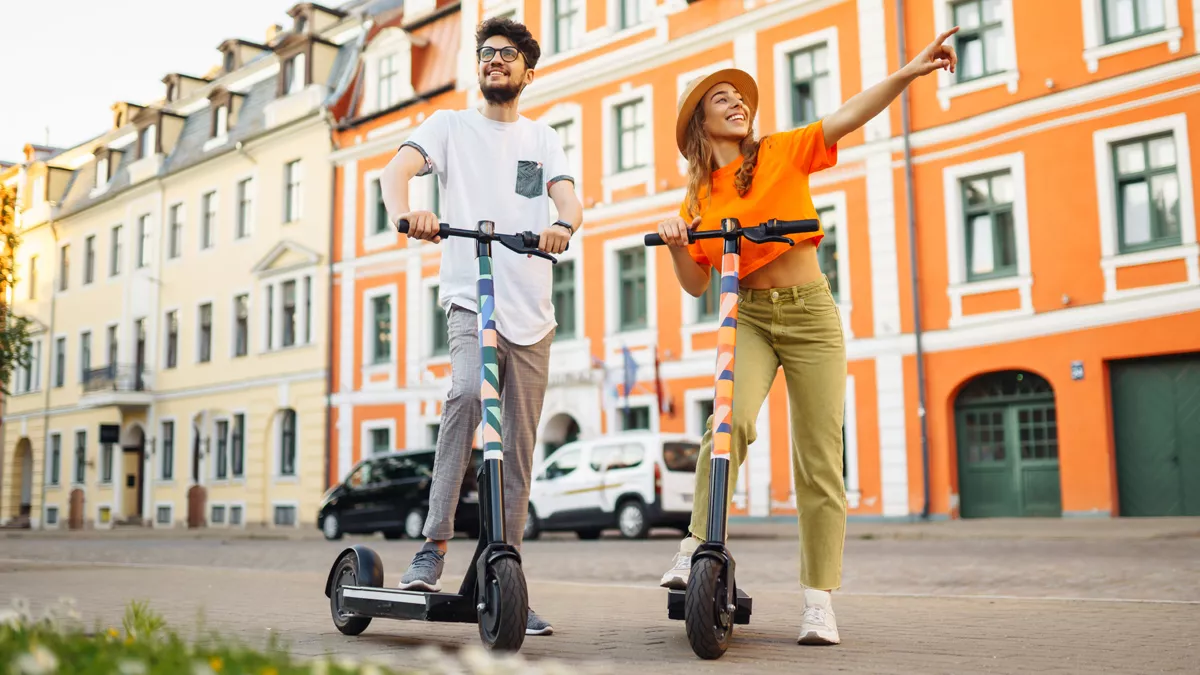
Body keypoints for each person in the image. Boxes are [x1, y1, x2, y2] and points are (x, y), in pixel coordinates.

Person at [654, 28, 959, 646]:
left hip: (812, 314)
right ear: (699, 123)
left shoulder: (782, 151)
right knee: (727, 423)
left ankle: (818, 601)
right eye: (721, 97)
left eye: (740, 97)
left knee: (819, 460)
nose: (738, 103)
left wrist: (907, 73)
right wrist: (677, 242)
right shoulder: (697, 200)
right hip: (750, 316)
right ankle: (696, 544)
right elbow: (693, 285)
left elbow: (848, 115)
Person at [379, 16, 583, 637]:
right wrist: (407, 211)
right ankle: (433, 545)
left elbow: (568, 197)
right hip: (472, 297)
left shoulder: (543, 137)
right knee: (466, 395)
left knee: (518, 450)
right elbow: (396, 172)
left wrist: (563, 225)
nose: (495, 61)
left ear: (527, 70)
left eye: (508, 54)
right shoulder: (449, 127)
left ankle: (504, 574)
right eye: (487, 53)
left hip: (532, 313)